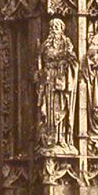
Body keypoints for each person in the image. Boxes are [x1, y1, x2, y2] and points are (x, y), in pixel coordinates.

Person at [37, 18, 78, 151]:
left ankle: (62, 138)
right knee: (49, 109)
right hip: (49, 80)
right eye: (52, 27)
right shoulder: (45, 45)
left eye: (56, 27)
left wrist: (64, 62)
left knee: (61, 108)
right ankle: (49, 138)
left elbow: (72, 60)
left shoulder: (66, 43)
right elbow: (41, 60)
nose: (53, 30)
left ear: (62, 29)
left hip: (61, 81)